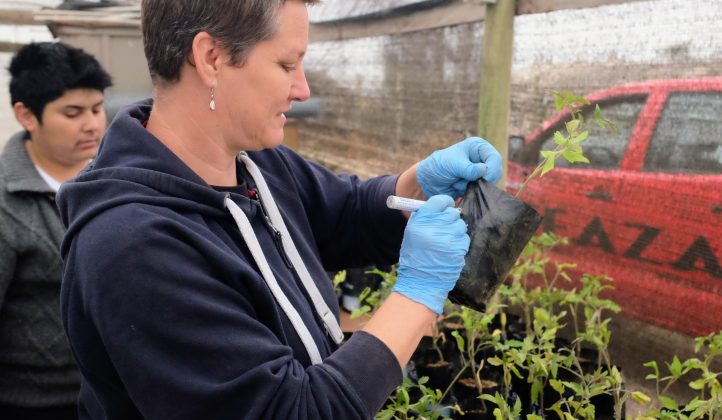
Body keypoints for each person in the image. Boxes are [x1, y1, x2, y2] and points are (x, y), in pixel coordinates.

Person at [57, 0, 502, 418]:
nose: (303, 89)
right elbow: (292, 410)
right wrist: (416, 295)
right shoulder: (137, 247)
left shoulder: (253, 161)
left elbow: (344, 213)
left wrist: (416, 184)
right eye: (287, 65)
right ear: (212, 57)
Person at [0, 42, 111, 419]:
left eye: (97, 109)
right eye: (73, 112)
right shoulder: (6, 203)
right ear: (27, 116)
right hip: (35, 404)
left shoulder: (116, 182)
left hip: (115, 397)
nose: (92, 124)